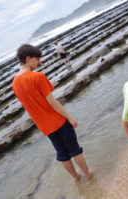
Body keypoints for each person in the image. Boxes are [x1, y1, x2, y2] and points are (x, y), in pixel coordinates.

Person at [12, 44, 91, 181]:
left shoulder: (14, 84)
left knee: (63, 155)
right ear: (28, 58)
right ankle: (88, 174)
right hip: (58, 121)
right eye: (37, 59)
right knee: (75, 150)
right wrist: (70, 117)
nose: (40, 62)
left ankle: (76, 178)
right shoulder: (37, 77)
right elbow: (52, 102)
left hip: (45, 127)